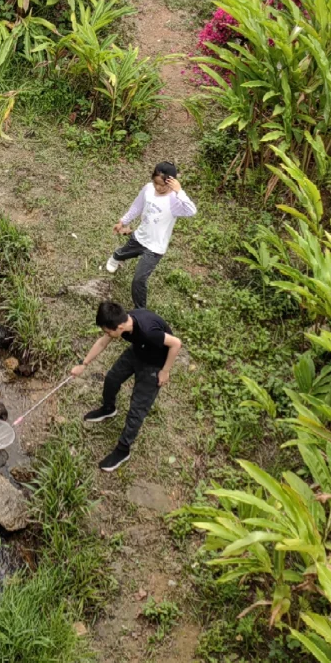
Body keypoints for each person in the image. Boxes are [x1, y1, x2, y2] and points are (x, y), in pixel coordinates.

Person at [70, 299, 182, 472]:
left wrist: (165, 371)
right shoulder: (123, 320)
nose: (106, 333)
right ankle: (108, 408)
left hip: (154, 364)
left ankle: (123, 450)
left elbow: (176, 343)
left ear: (119, 328)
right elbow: (102, 342)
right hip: (137, 351)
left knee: (137, 409)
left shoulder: (148, 331)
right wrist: (83, 364)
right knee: (112, 379)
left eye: (107, 331)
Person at [106, 161, 196, 309]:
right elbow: (137, 207)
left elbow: (191, 211)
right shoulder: (148, 189)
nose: (159, 188)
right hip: (140, 236)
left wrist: (180, 191)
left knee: (139, 280)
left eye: (164, 185)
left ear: (172, 183)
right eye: (156, 183)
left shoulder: (174, 200)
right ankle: (116, 257)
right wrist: (123, 221)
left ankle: (140, 310)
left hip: (155, 247)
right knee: (123, 252)